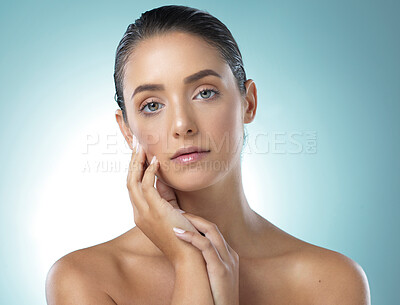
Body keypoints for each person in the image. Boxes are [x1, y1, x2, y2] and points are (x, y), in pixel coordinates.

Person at [45, 5, 371, 305]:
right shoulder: (85, 279)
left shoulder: (332, 282)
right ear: (127, 129)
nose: (182, 125)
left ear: (249, 103)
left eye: (205, 93)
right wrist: (189, 263)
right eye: (152, 105)